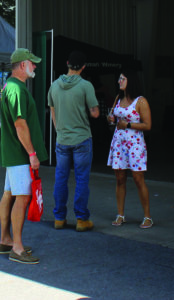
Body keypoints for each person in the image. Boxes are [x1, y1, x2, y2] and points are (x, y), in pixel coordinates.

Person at [0, 48, 48, 264]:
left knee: (9, 194)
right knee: (22, 197)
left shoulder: (9, 86)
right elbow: (20, 124)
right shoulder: (16, 89)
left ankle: (6, 240)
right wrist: (32, 153)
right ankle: (16, 248)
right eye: (32, 62)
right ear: (21, 65)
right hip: (19, 154)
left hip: (13, 152)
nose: (35, 66)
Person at [48, 50, 99, 232]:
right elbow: (95, 113)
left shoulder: (54, 86)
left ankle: (59, 218)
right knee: (81, 179)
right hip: (82, 139)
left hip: (62, 139)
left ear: (68, 64)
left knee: (61, 178)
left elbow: (52, 112)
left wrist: (59, 130)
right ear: (83, 67)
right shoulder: (86, 86)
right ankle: (81, 219)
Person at [107, 70, 153, 229]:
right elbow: (113, 116)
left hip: (134, 144)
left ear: (130, 81)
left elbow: (147, 125)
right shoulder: (118, 99)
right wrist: (111, 119)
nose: (119, 81)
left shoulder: (140, 101)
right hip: (119, 142)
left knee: (138, 178)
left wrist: (127, 125)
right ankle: (120, 214)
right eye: (119, 78)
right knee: (119, 178)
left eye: (122, 78)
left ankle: (147, 216)